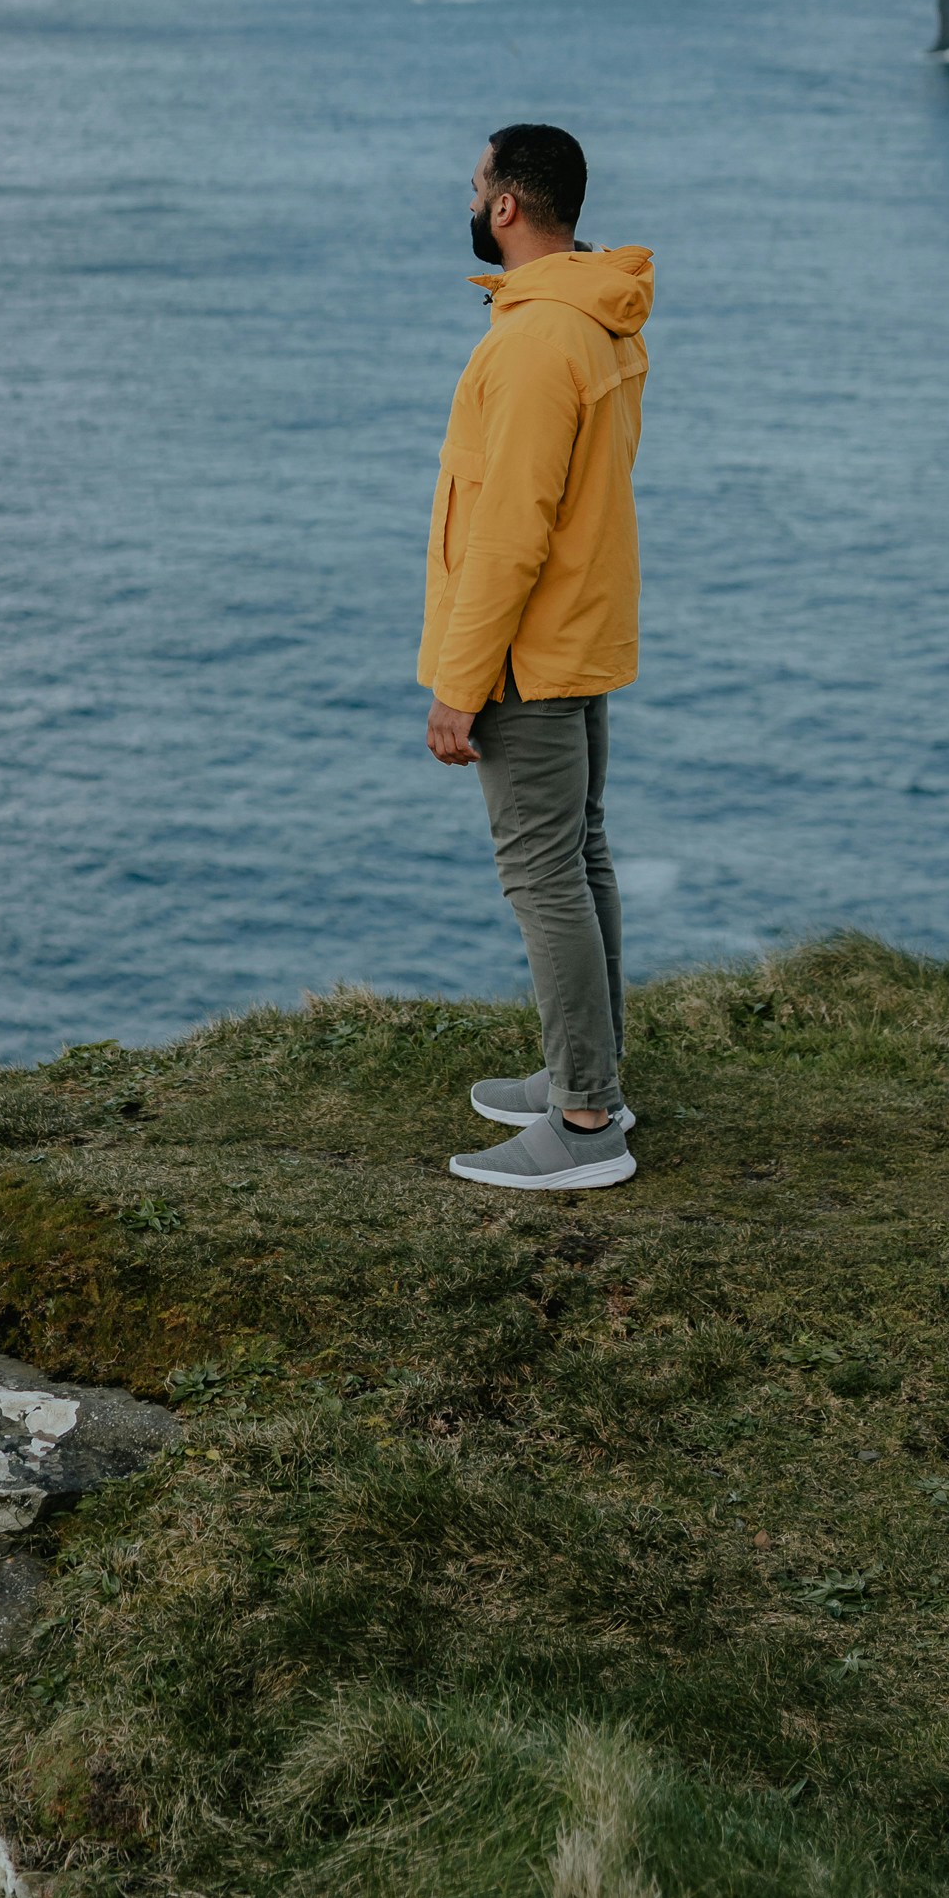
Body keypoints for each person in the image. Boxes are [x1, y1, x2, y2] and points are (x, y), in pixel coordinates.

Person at [421, 123, 653, 1191]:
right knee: (579, 856)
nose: (470, 199)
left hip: (526, 650)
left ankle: (586, 1119)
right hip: (577, 630)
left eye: (477, 185)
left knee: (542, 872)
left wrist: (459, 686)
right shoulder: (589, 316)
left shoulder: (532, 341)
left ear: (507, 205)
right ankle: (585, 1072)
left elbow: (510, 532)